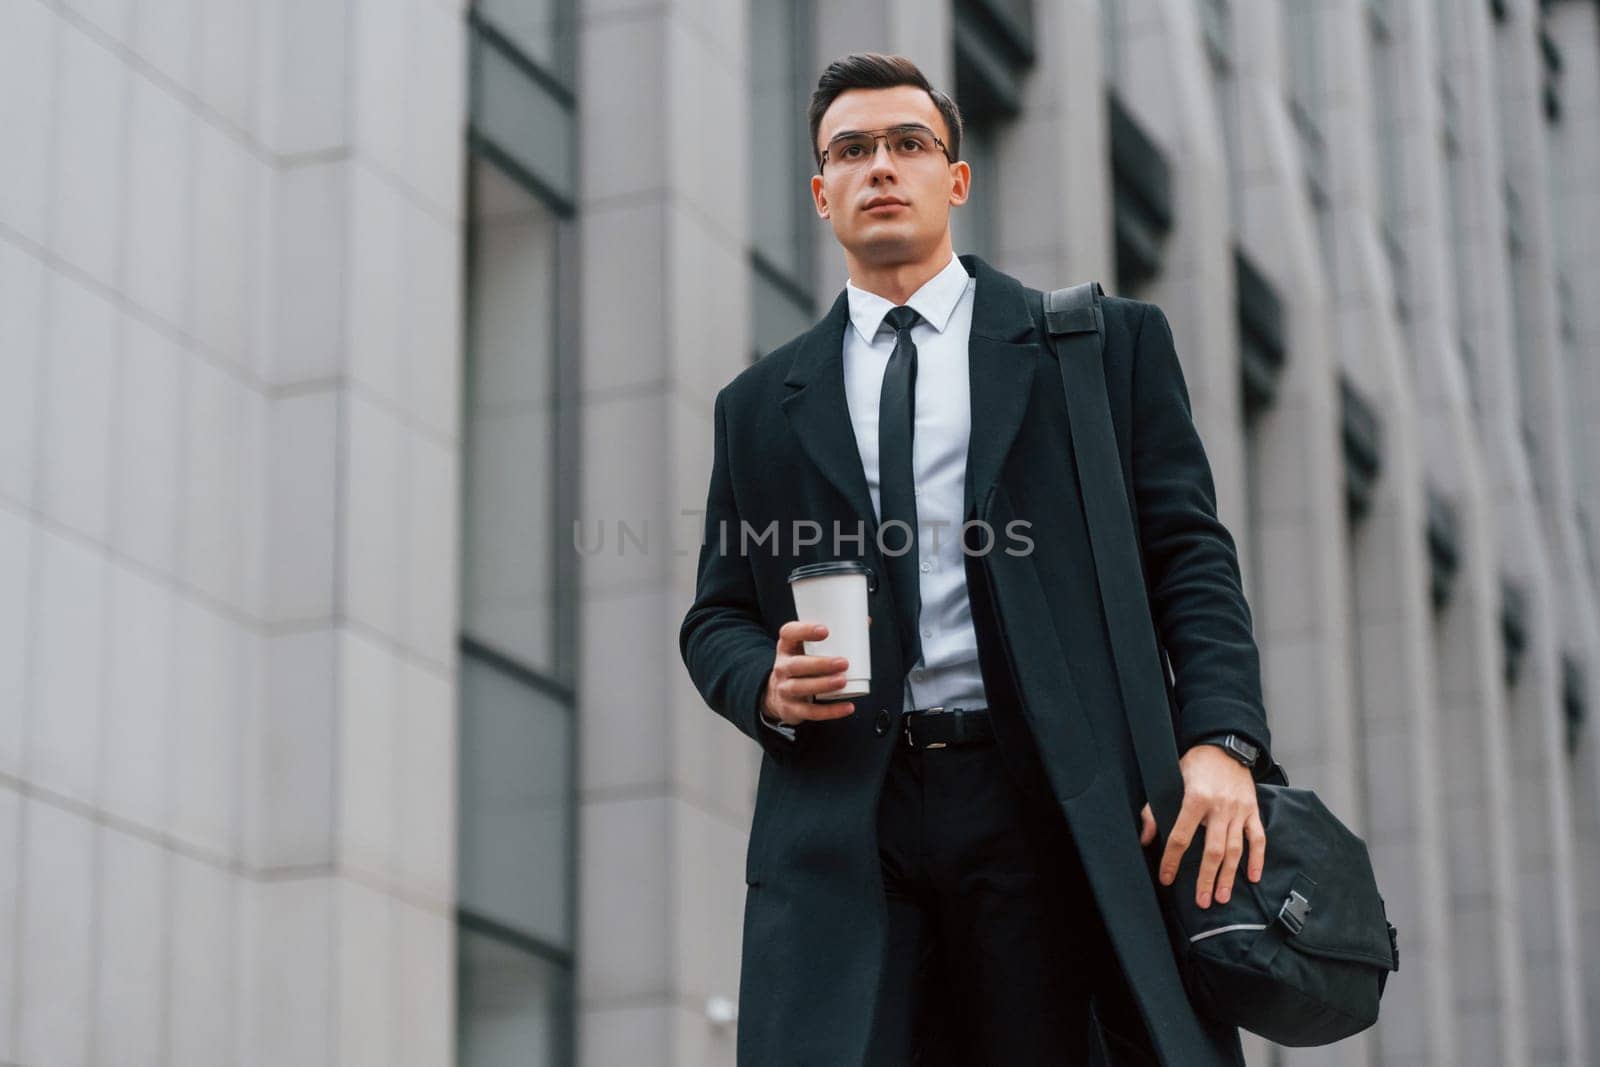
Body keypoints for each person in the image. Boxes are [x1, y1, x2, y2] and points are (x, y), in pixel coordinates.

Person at [678, 51, 1274, 1066]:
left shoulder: (1094, 350)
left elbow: (1188, 554)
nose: (880, 167)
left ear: (955, 178)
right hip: (847, 817)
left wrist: (1220, 739)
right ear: (820, 192)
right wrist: (764, 683)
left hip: (1043, 796)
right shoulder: (759, 404)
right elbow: (717, 613)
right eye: (851, 150)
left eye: (908, 144)